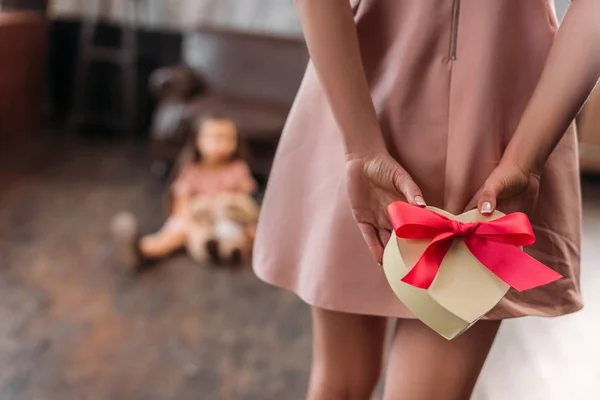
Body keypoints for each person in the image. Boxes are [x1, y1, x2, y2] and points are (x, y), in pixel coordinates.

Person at [252, 1, 600, 399]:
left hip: (501, 136)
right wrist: (361, 149)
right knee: (340, 384)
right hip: (363, 109)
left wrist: (527, 159)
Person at [112, 115, 258, 267]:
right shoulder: (192, 170)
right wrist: (184, 219)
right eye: (216, 138)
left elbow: (244, 201)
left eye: (229, 138)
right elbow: (182, 199)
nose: (223, 144)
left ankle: (234, 252)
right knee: (177, 231)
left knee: (248, 232)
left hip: (227, 219)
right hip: (199, 218)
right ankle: (143, 249)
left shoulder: (238, 168)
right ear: (198, 141)